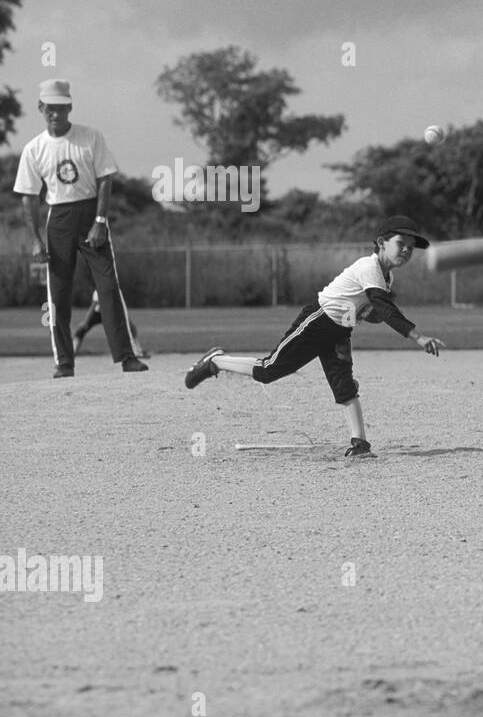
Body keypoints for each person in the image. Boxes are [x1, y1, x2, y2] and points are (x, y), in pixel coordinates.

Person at [183, 214, 445, 458]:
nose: (408, 250)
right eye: (401, 243)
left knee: (344, 383)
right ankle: (216, 361)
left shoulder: (387, 278)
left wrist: (368, 313)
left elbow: (375, 309)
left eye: (412, 246)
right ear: (381, 242)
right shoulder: (369, 266)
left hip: (340, 329)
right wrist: (418, 336)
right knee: (268, 369)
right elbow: (385, 308)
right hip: (318, 322)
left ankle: (360, 443)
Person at [14, 79, 148, 378]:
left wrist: (100, 222)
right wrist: (36, 241)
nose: (56, 114)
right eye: (50, 108)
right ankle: (64, 362)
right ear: (40, 108)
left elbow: (105, 179)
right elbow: (29, 198)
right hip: (58, 218)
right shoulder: (34, 149)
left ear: (70, 106)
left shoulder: (90, 137)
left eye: (62, 108)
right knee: (58, 295)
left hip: (90, 215)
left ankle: (127, 357)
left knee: (109, 288)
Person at [73, 290, 149, 359]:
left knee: (131, 328)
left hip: (110, 313)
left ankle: (138, 352)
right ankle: (73, 352)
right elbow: (93, 307)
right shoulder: (99, 289)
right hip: (97, 314)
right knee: (80, 330)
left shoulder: (114, 288)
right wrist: (85, 321)